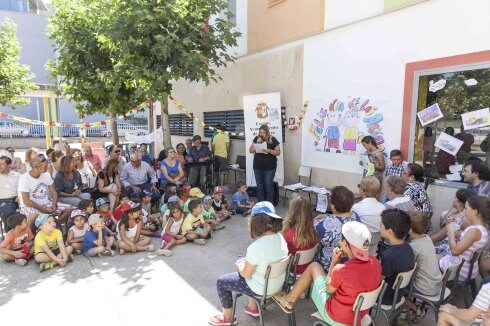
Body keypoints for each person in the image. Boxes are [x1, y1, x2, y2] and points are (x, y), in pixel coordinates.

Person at [272, 221, 382, 325]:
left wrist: (334, 262)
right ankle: (290, 297)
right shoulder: (376, 263)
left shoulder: (342, 270)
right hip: (360, 315)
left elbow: (328, 289)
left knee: (314, 266)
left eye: (341, 239)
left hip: (337, 317)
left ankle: (288, 300)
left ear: (345, 244)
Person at [209, 202, 288, 325]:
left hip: (261, 289)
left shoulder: (256, 246)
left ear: (256, 222)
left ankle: (227, 318)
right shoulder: (280, 238)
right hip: (276, 284)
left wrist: (240, 266)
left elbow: (245, 274)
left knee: (221, 282)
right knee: (244, 259)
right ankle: (252, 308)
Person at [439, 195, 489, 281]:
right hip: (464, 267)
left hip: (459, 270)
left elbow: (455, 251)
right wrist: (455, 232)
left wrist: (451, 232)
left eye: (466, 208)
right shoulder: (482, 229)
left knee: (425, 260)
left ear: (475, 211)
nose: (463, 210)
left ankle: (428, 290)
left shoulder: (474, 231)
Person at [18, 155, 72, 228]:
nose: (48, 167)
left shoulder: (46, 175)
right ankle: (33, 237)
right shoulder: (24, 178)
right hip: (29, 206)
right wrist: (44, 209)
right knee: (33, 216)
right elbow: (26, 201)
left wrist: (54, 204)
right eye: (45, 166)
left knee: (69, 209)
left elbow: (53, 192)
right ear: (36, 167)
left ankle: (53, 227)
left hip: (46, 203)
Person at [315, 185, 360, 270]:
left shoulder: (322, 225)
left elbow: (312, 242)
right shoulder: (356, 217)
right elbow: (340, 218)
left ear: (333, 206)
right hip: (349, 263)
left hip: (328, 266)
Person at [379, 208, 415, 305]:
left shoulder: (389, 256)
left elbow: (378, 280)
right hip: (399, 293)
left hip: (386, 297)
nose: (379, 227)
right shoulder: (408, 247)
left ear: (390, 231)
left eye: (381, 225)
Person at [408, 211, 442, 300]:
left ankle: (412, 307)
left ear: (410, 229)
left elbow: (407, 266)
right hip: (436, 285)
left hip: (424, 288)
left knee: (396, 285)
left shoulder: (414, 247)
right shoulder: (427, 238)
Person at [431, 189, 475, 256]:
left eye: (455, 197)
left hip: (449, 250)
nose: (453, 199)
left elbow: (439, 236)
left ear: (460, 203)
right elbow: (442, 225)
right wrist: (453, 209)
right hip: (457, 247)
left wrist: (423, 242)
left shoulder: (458, 218)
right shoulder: (465, 214)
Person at [282, 195, 317, 274]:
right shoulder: (313, 232)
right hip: (308, 271)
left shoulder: (288, 235)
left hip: (291, 272)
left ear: (292, 212)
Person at [352, 176, 386, 255]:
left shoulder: (356, 207)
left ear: (362, 190)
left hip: (359, 244)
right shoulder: (383, 207)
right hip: (375, 242)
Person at [248, 124, 281, 203]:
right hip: (258, 166)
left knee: (268, 185)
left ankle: (269, 204)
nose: (261, 134)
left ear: (267, 132)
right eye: (260, 132)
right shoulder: (256, 139)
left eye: (263, 132)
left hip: (269, 168)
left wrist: (269, 151)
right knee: (259, 186)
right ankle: (261, 203)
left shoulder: (272, 139)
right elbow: (250, 150)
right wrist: (257, 144)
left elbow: (278, 152)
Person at [0, 155, 20, 232]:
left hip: (18, 199)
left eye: (2, 164)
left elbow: (23, 188)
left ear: (9, 165)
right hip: (4, 200)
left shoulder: (17, 175)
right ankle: (11, 235)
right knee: (9, 213)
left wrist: (20, 196)